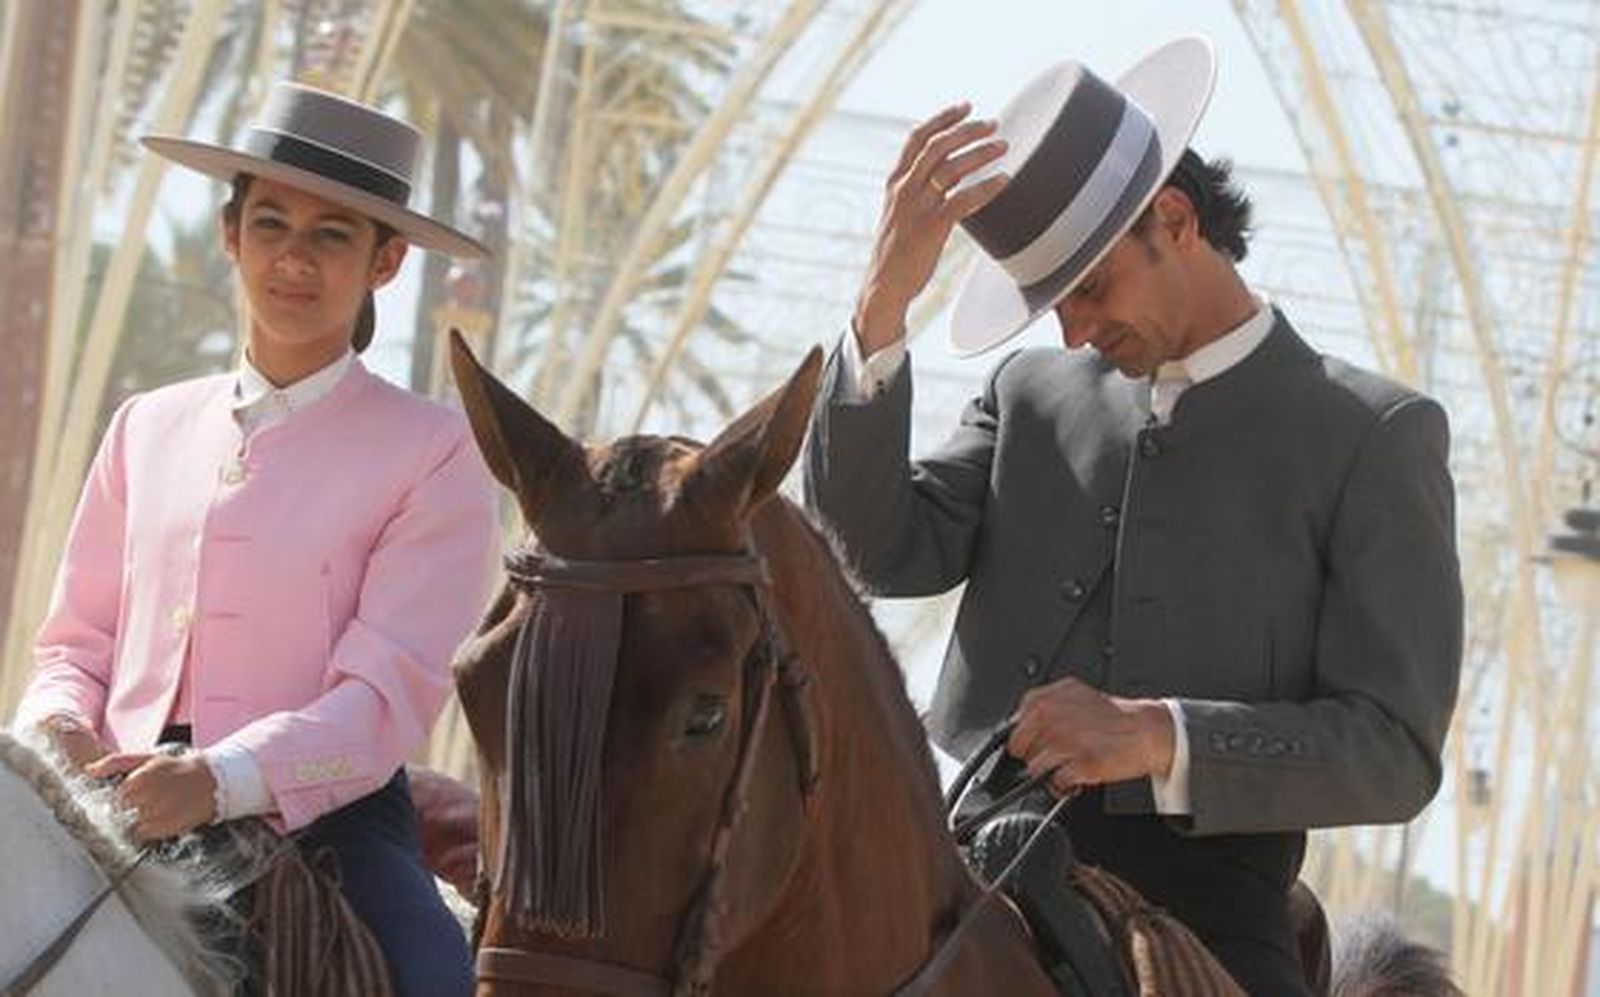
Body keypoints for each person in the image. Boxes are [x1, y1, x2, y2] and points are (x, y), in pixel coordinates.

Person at [804, 36, 1462, 995]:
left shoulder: (1372, 434)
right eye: (1051, 304)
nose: (1073, 331)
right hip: (960, 863)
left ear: (1175, 219)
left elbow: (1393, 749)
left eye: (1089, 288)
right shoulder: (1029, 392)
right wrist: (880, 307)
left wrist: (1160, 734)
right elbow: (866, 551)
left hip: (1209, 910)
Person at [12, 81, 500, 997]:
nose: (294, 257)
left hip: (326, 816)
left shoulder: (434, 451)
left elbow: (385, 695)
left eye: (332, 235)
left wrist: (220, 778)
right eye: (271, 223)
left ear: (386, 261)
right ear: (231, 234)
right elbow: (75, 643)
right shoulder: (144, 426)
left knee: (435, 977)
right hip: (102, 793)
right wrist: (59, 726)